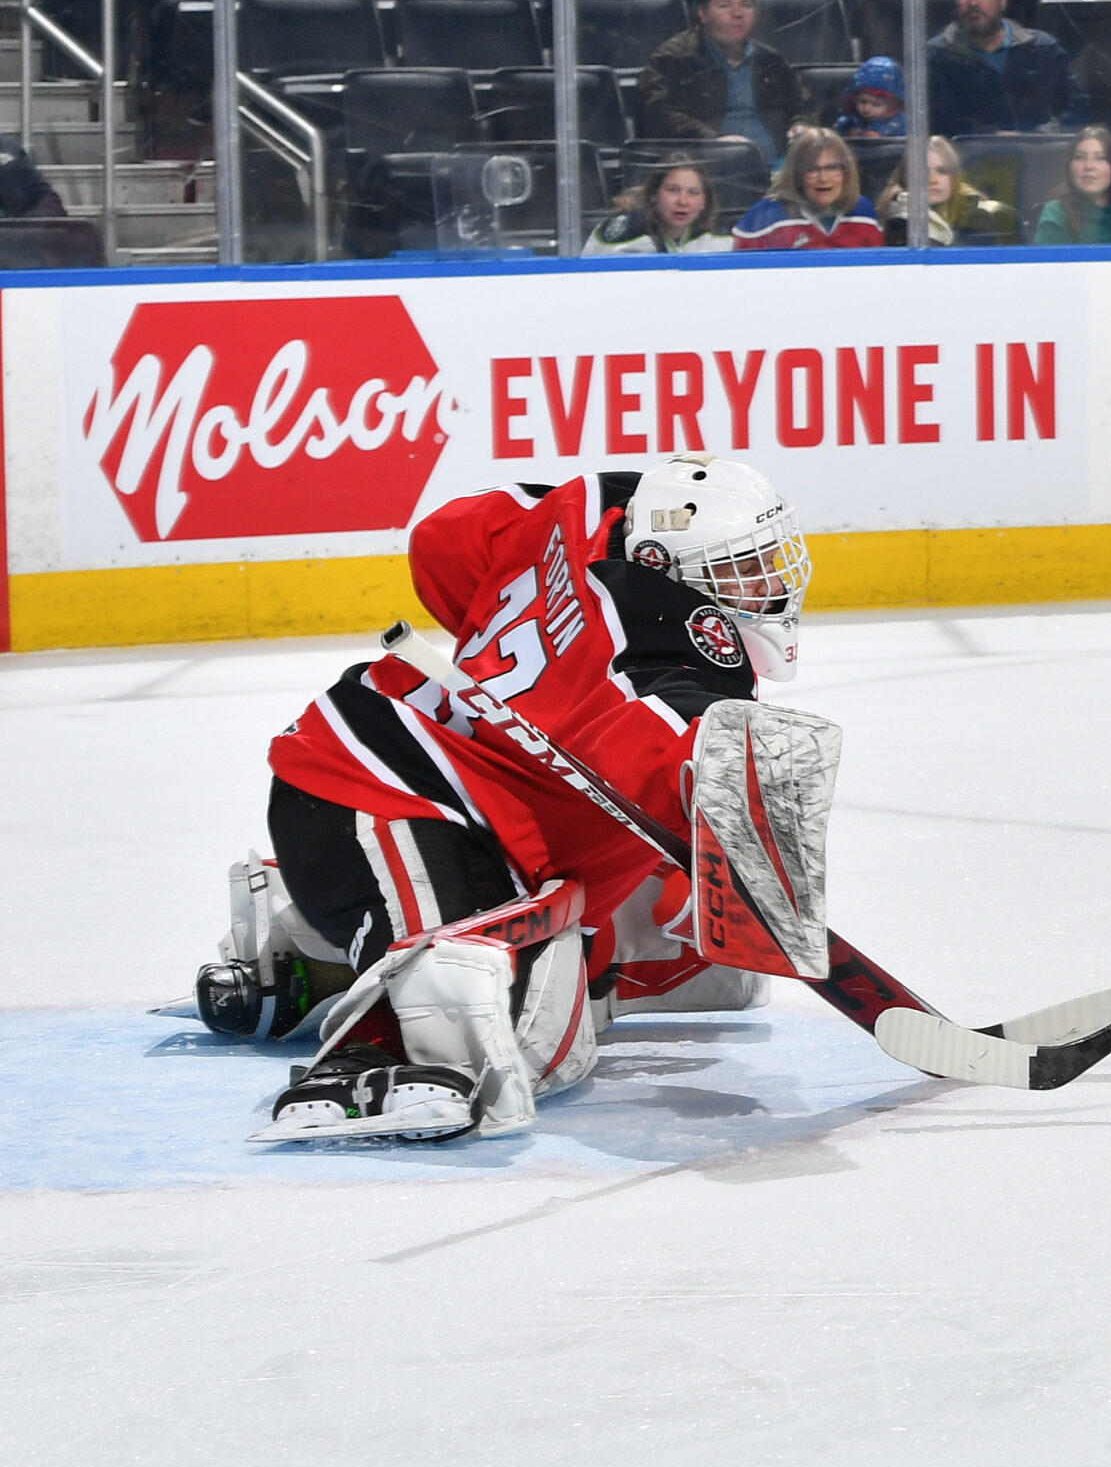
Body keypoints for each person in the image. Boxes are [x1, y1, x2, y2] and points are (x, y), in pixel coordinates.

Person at [192, 453, 818, 1138]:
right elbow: (686, 755)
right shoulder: (684, 653)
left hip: (467, 811)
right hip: (383, 785)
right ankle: (372, 1051)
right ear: (663, 564)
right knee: (506, 1031)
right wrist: (749, 860)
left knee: (714, 974)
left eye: (765, 561)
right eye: (739, 567)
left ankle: (309, 953)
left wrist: (523, 659)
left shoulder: (587, 509)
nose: (766, 585)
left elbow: (442, 542)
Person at [637, 0, 817, 171]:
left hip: (780, 175)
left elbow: (803, 105)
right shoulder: (672, 59)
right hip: (707, 173)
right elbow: (659, 114)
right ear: (703, 13)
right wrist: (714, 141)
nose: (738, 14)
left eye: (746, 5)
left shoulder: (771, 60)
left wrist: (800, 123)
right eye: (725, 6)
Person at [926, 0, 1090, 137]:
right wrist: (993, 137)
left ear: (1002, 0)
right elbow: (939, 119)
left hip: (1044, 155)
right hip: (967, 158)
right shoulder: (937, 55)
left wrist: (1041, 137)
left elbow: (1078, 105)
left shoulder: (1043, 48)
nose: (973, 2)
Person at [732, 128, 886, 249]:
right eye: (812, 169)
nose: (823, 179)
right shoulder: (767, 216)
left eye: (832, 168)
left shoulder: (864, 213)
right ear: (797, 175)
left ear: (846, 172)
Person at [877, 134, 1016, 245]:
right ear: (905, 176)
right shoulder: (898, 224)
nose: (933, 180)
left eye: (942, 171)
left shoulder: (980, 219)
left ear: (955, 176)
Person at [582, 157, 733, 256]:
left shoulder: (717, 240)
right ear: (654, 194)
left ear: (704, 201)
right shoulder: (625, 233)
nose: (683, 201)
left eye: (693, 192)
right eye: (673, 190)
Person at [834, 56, 908, 140]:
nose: (866, 109)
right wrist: (844, 130)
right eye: (862, 102)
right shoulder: (853, 119)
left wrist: (878, 134)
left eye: (876, 104)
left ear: (894, 105)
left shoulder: (900, 122)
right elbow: (836, 133)